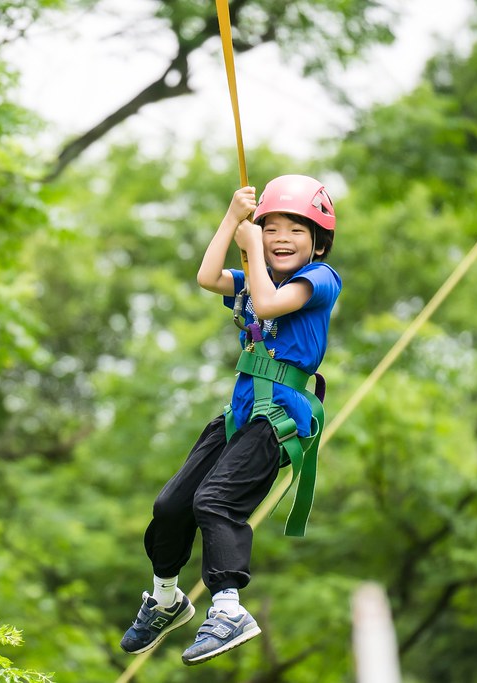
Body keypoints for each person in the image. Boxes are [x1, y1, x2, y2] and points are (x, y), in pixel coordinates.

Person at [119, 175, 342, 666]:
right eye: (272, 229)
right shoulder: (252, 275)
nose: (281, 239)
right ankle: (166, 598)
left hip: (279, 416)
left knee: (214, 500)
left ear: (318, 244)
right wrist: (231, 221)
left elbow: (268, 304)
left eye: (296, 232)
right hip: (240, 413)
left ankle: (228, 609)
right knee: (172, 504)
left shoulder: (320, 280)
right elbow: (206, 277)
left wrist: (253, 249)